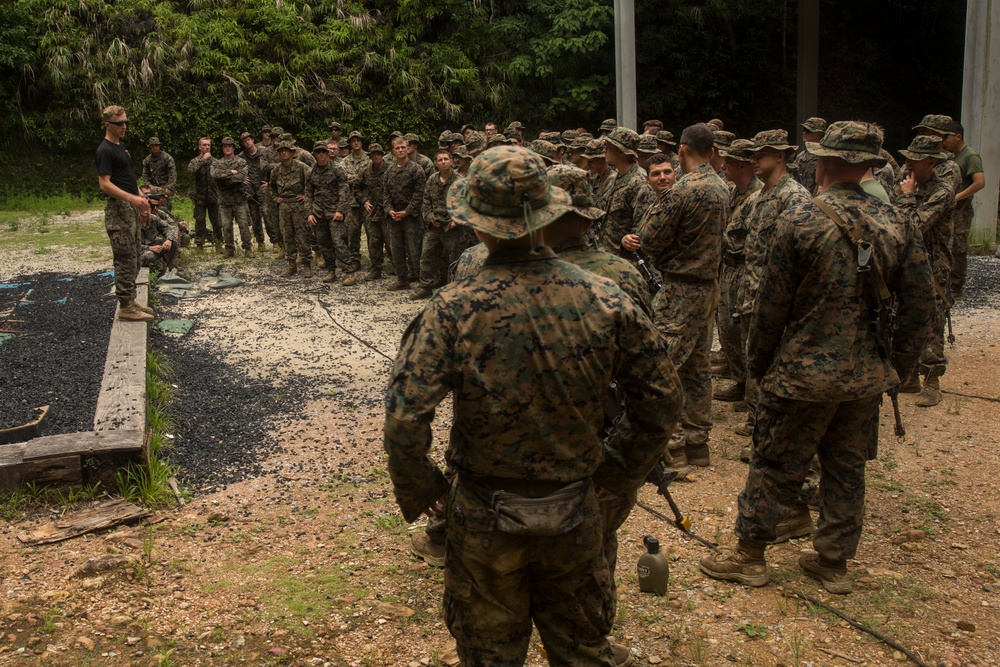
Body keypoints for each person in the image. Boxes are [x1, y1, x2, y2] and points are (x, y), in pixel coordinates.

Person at [384, 145, 681, 667]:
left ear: (477, 226)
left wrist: (425, 488)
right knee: (583, 648)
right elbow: (661, 399)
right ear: (547, 216)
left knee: (489, 654)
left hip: (483, 513)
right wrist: (616, 470)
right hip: (577, 504)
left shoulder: (453, 309)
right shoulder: (607, 299)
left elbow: (406, 415)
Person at [699, 121, 934, 594]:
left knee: (774, 460)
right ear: (869, 165)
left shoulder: (802, 220)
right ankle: (833, 562)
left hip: (802, 371)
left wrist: (759, 367)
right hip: (865, 375)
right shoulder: (899, 222)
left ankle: (749, 556)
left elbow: (770, 308)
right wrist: (898, 367)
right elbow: (922, 306)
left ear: (825, 162)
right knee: (846, 468)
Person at [625, 123, 730, 474]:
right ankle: (698, 442)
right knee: (698, 366)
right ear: (712, 151)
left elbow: (650, 240)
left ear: (681, 150)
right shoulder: (720, 186)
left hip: (680, 289)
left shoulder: (682, 191)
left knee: (662, 365)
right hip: (708, 286)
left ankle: (673, 447)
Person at [734, 130, 810, 438]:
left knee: (775, 368)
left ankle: (772, 431)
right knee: (755, 363)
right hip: (751, 295)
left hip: (775, 300)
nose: (753, 159)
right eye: (751, 154)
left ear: (780, 156)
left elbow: (800, 254)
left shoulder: (794, 196)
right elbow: (738, 237)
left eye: (760, 154)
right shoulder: (759, 196)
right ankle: (757, 425)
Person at [892, 135, 956, 407]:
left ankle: (932, 380)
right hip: (908, 263)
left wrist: (907, 198)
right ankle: (909, 376)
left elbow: (914, 226)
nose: (907, 164)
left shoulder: (941, 191)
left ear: (930, 161)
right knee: (903, 316)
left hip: (932, 265)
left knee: (932, 321)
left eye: (914, 160)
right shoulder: (908, 185)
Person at [713, 139, 763, 406]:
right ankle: (741, 381)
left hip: (744, 270)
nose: (724, 165)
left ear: (744, 164)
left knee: (744, 332)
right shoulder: (734, 192)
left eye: (729, 161)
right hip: (728, 269)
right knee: (728, 329)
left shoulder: (757, 196)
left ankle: (751, 393)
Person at [95, 105, 153, 322]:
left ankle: (130, 299)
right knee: (124, 257)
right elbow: (104, 184)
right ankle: (125, 305)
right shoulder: (105, 150)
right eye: (119, 123)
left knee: (136, 255)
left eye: (125, 122)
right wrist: (131, 199)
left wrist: (141, 198)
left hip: (130, 208)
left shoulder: (122, 147)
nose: (124, 126)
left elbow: (129, 178)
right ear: (107, 124)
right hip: (118, 210)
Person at [942, 120, 985, 301]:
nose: (943, 140)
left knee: (958, 249)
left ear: (957, 136)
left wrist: (957, 197)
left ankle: (957, 289)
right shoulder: (951, 156)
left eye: (946, 137)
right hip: (950, 210)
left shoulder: (970, 156)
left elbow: (980, 182)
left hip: (962, 211)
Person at [412, 150, 462, 299]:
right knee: (426, 255)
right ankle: (426, 286)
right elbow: (425, 202)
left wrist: (456, 220)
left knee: (454, 258)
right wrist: (430, 218)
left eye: (446, 159)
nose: (444, 162)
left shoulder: (459, 180)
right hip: (434, 225)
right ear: (435, 163)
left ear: (451, 161)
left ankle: (455, 288)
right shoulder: (432, 180)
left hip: (452, 226)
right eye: (440, 160)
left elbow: (465, 203)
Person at [599, 127, 655, 256]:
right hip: (609, 255)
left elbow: (641, 230)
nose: (604, 150)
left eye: (608, 147)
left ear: (620, 151)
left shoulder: (640, 182)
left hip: (627, 260)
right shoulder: (613, 178)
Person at [305, 141, 350, 284]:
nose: (322, 154)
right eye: (319, 152)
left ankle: (349, 272)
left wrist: (340, 210)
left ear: (328, 153)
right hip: (318, 213)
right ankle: (331, 271)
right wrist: (309, 213)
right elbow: (308, 194)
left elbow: (344, 191)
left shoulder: (337, 169)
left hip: (334, 213)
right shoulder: (311, 171)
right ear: (315, 154)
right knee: (323, 243)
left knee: (339, 242)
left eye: (324, 152)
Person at [383, 136, 425, 290]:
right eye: (397, 148)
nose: (400, 150)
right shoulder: (389, 171)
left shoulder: (416, 170)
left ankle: (423, 281)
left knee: (416, 250)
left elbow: (419, 194)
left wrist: (407, 212)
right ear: (393, 151)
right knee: (397, 249)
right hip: (394, 217)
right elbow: (385, 195)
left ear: (408, 149)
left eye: (403, 147)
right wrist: (390, 211)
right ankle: (402, 280)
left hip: (411, 216)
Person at [270, 140, 313, 278]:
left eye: (286, 150)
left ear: (291, 152)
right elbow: (271, 187)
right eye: (281, 150)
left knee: (302, 235)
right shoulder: (276, 170)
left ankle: (306, 265)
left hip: (298, 206)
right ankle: (291, 266)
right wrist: (276, 198)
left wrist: (306, 196)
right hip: (284, 207)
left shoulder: (301, 167)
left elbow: (312, 182)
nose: (284, 152)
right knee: (287, 236)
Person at [211, 136, 254, 258]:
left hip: (239, 199)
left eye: (230, 146)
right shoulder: (216, 163)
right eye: (225, 146)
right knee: (226, 226)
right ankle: (229, 250)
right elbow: (214, 174)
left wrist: (225, 179)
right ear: (222, 148)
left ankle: (248, 248)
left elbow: (242, 176)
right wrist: (231, 172)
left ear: (233, 148)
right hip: (224, 200)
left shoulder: (241, 161)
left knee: (244, 225)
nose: (227, 148)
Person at [339, 130, 372, 284]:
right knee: (352, 234)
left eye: (358, 140)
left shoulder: (370, 159)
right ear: (350, 143)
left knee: (373, 234)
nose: (356, 143)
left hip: (368, 202)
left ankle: (375, 262)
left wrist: (355, 180)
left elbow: (372, 178)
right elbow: (344, 179)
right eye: (353, 141)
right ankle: (354, 259)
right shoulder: (344, 162)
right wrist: (360, 179)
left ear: (362, 142)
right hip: (351, 203)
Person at [359, 143, 391, 281]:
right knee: (374, 242)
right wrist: (364, 201)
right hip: (372, 212)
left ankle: (397, 267)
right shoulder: (366, 171)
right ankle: (376, 269)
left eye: (379, 153)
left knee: (392, 241)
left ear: (382, 154)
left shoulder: (391, 169)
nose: (376, 156)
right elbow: (356, 187)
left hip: (388, 212)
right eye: (374, 154)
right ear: (370, 156)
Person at [187, 137, 222, 250]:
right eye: (204, 145)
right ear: (199, 147)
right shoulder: (195, 161)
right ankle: (199, 244)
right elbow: (192, 172)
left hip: (214, 196)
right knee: (200, 221)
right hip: (200, 197)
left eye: (209, 145)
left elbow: (221, 176)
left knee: (217, 222)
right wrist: (203, 161)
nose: (207, 147)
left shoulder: (216, 162)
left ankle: (218, 243)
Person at [238, 132, 270, 251]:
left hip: (263, 190)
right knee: (255, 217)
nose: (247, 142)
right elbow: (237, 171)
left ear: (252, 139)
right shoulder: (241, 157)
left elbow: (274, 167)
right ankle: (260, 241)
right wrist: (242, 179)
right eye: (244, 141)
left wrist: (270, 182)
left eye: (249, 139)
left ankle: (275, 241)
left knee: (267, 215)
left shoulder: (264, 152)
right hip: (250, 192)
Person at [139, 192, 179, 272]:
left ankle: (171, 269)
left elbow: (169, 228)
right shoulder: (133, 223)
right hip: (140, 252)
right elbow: (132, 246)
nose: (145, 211)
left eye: (147, 208)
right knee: (149, 255)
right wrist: (149, 248)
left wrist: (169, 240)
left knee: (172, 242)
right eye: (142, 209)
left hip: (154, 245)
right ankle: (158, 272)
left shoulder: (153, 218)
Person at [790, 117, 827, 195]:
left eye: (808, 131)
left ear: (819, 134)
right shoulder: (801, 156)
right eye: (804, 129)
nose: (804, 132)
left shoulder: (825, 157)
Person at [141, 137, 177, 213]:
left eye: (156, 145)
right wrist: (148, 185)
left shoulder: (167, 158)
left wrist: (169, 188)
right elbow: (145, 174)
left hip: (165, 187)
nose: (154, 148)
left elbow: (172, 174)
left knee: (166, 210)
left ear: (159, 146)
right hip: (152, 188)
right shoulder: (147, 160)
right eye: (152, 146)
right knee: (153, 210)